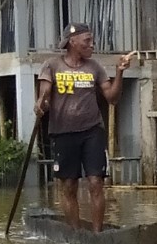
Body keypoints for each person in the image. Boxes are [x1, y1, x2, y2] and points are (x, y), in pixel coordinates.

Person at [35, 23, 132, 232]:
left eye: (91, 40)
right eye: (87, 40)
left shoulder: (95, 67)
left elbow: (112, 98)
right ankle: (76, 233)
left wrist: (119, 72)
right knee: (69, 185)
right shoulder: (52, 65)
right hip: (63, 132)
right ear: (73, 42)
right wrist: (41, 105)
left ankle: (97, 235)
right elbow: (44, 97)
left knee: (96, 182)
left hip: (92, 131)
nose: (92, 44)